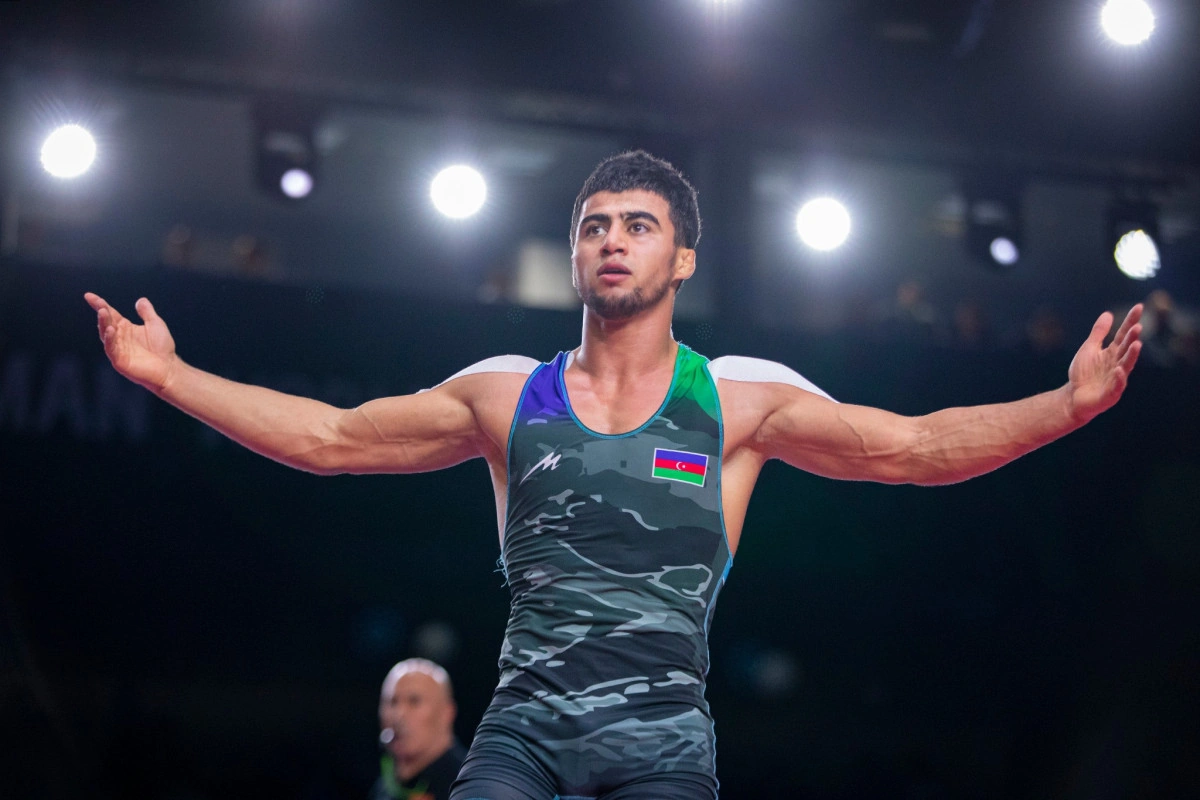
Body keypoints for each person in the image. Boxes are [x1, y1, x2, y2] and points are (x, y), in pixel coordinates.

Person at [85, 150, 1143, 800]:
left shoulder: (738, 399)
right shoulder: (507, 394)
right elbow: (329, 437)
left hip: (663, 745)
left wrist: (1066, 406)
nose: (613, 240)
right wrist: (170, 376)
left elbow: (913, 449)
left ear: (683, 259)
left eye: (640, 225)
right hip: (521, 735)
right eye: (594, 226)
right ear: (575, 254)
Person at [372, 658, 467, 800]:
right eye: (392, 702)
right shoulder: (384, 788)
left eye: (414, 701)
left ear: (447, 712)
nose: (399, 715)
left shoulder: (470, 785)